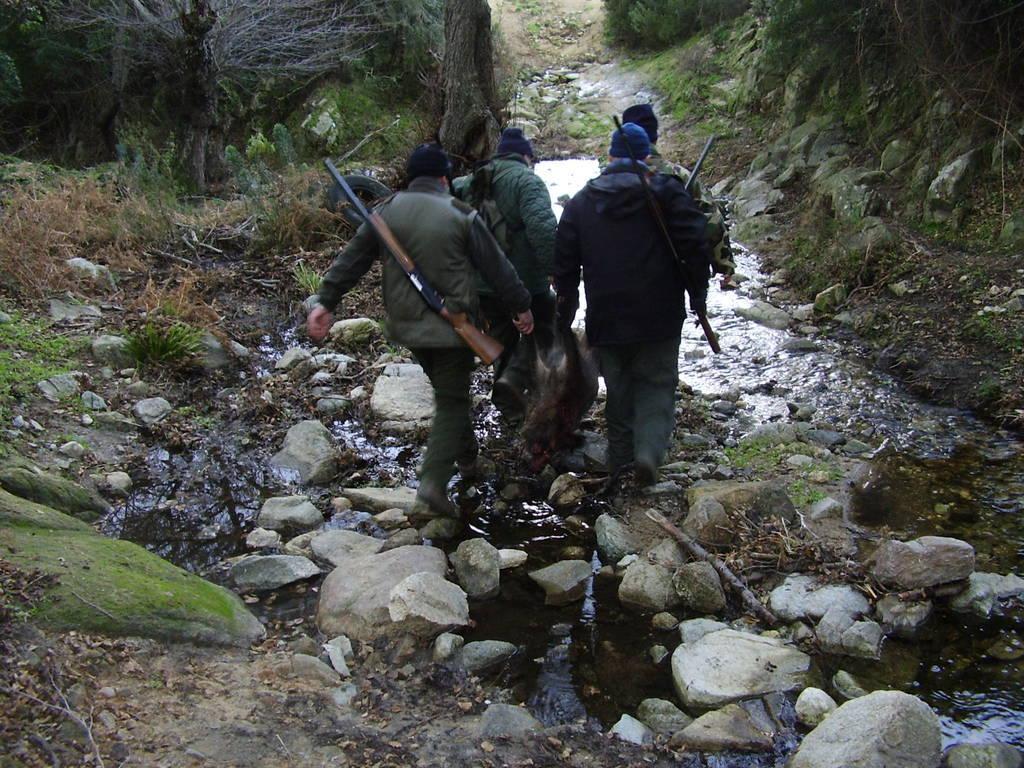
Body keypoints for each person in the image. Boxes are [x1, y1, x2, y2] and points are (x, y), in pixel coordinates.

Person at [307, 143, 534, 517]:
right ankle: (433, 481)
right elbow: (498, 268)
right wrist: (522, 306)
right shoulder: (460, 213)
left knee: (448, 393)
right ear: (444, 178)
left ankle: (466, 459)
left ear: (411, 179)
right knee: (452, 401)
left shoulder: (384, 213)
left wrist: (325, 301)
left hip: (407, 330)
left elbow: (351, 261)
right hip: (452, 329)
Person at [553, 123, 709, 486]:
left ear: (609, 157)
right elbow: (696, 245)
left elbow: (563, 262)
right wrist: (697, 294)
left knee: (619, 390)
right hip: (661, 315)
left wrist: (567, 311)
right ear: (645, 157)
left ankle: (620, 463)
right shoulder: (667, 193)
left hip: (607, 316)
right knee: (657, 385)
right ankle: (649, 456)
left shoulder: (581, 201)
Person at [453, 127, 558, 422]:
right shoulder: (528, 181)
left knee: (501, 339)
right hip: (527, 284)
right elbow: (543, 230)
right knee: (545, 334)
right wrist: (554, 270)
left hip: (483, 286)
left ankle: (509, 407)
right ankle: (539, 395)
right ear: (526, 156)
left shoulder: (469, 181)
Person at [621, 104, 738, 290]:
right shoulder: (679, 175)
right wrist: (724, 266)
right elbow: (711, 220)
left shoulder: (610, 177)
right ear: (655, 137)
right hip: (672, 271)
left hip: (621, 273)